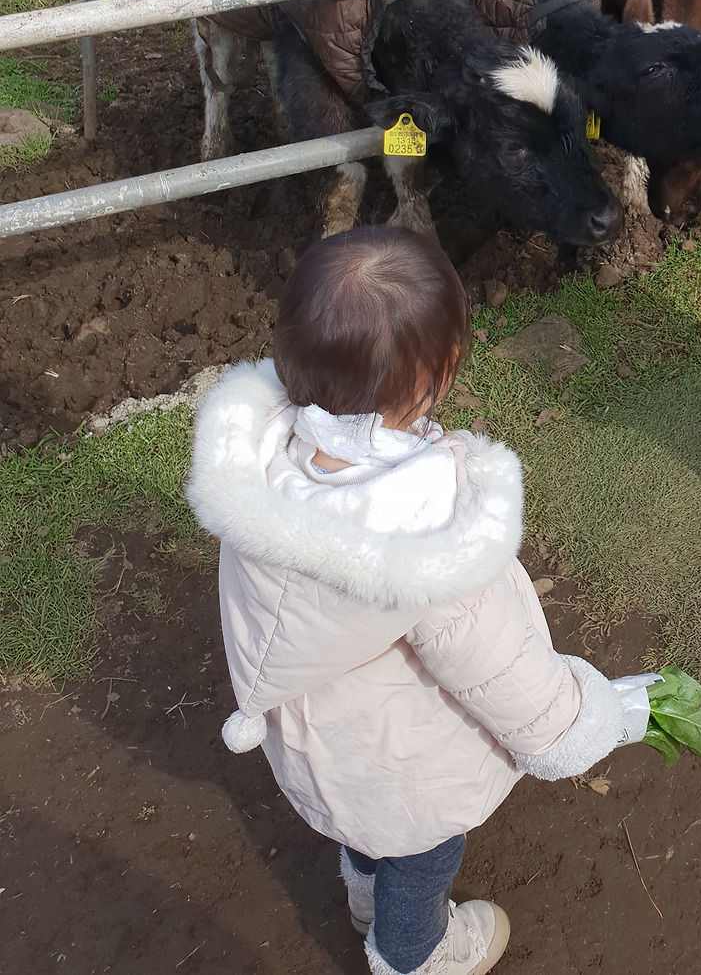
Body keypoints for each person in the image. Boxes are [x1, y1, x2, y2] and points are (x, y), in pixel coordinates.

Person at [186, 226, 656, 975]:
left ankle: (362, 884)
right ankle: (412, 953)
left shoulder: (259, 468)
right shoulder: (430, 536)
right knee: (422, 859)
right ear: (443, 369)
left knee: (370, 835)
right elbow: (503, 670)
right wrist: (589, 720)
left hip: (323, 750)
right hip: (403, 771)